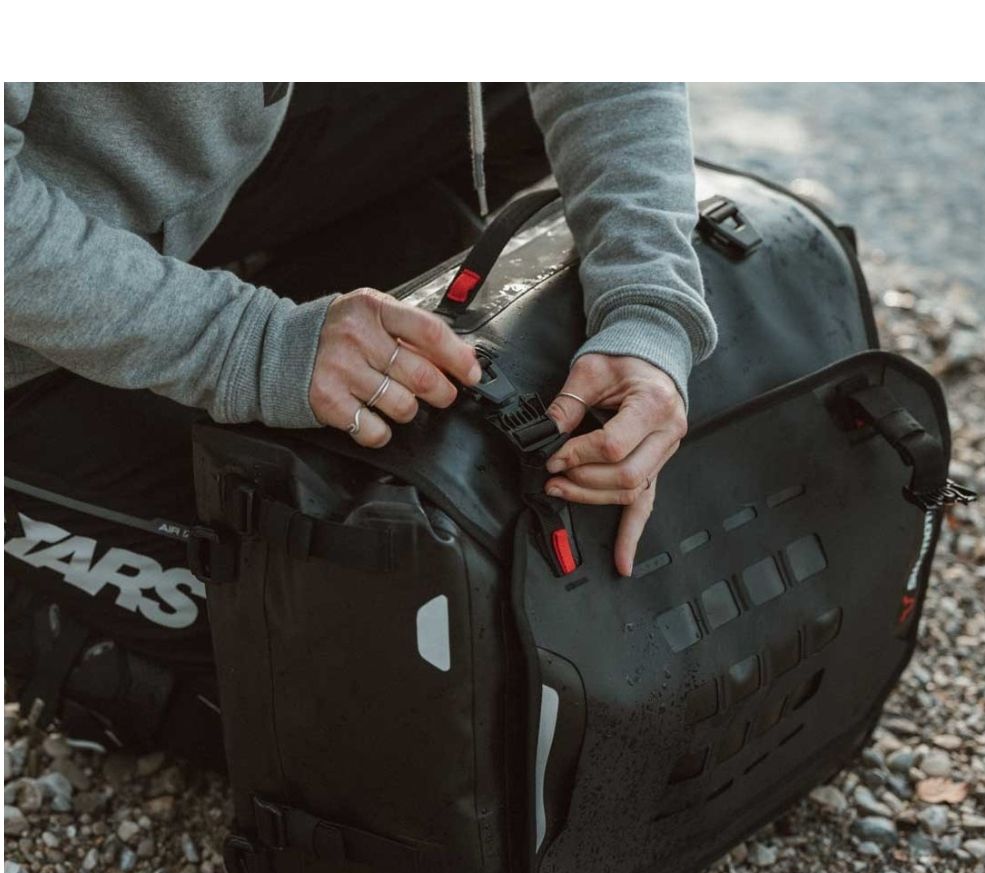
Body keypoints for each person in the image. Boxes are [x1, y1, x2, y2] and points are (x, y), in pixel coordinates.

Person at [4, 83, 717, 757]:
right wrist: (251, 343)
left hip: (221, 165)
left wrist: (647, 304)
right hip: (23, 325)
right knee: (387, 680)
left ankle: (319, 272)